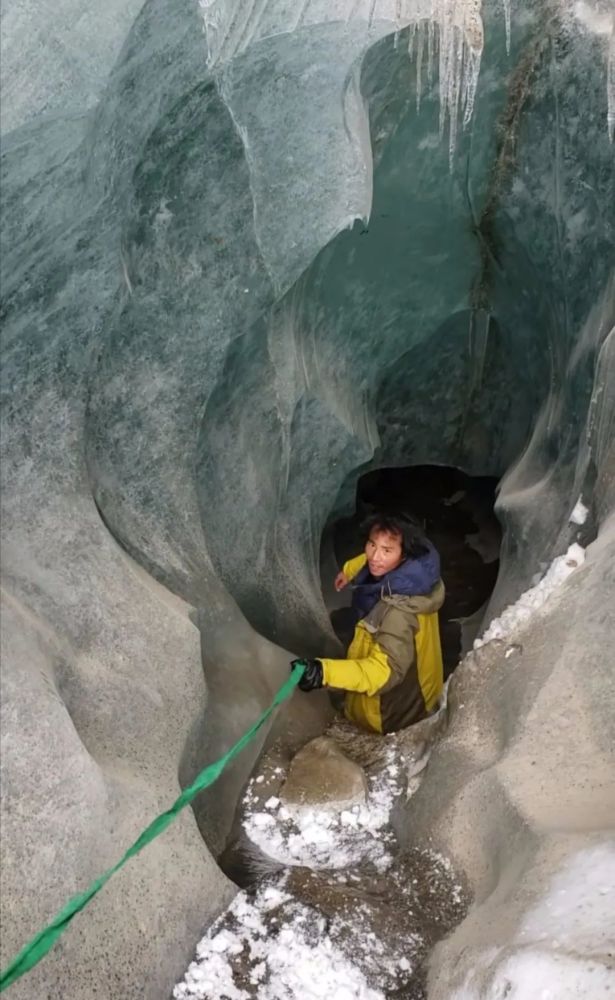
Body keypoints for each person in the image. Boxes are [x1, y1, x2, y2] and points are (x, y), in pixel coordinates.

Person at [291, 512, 445, 734]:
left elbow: (382, 673)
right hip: (425, 680)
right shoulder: (419, 570)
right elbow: (371, 560)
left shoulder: (397, 613)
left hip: (394, 712)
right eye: (371, 544)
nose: (375, 556)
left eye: (386, 550)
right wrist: (349, 570)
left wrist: (323, 672)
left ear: (404, 555)